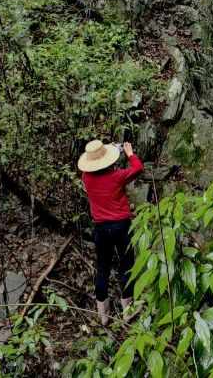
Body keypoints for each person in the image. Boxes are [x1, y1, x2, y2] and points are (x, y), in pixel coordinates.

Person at [78, 139, 144, 325]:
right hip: (121, 226)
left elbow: (98, 168)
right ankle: (128, 311)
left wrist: (112, 149)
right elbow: (138, 168)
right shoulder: (118, 176)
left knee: (102, 270)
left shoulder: (86, 177)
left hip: (101, 228)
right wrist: (129, 152)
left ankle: (104, 315)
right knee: (126, 266)